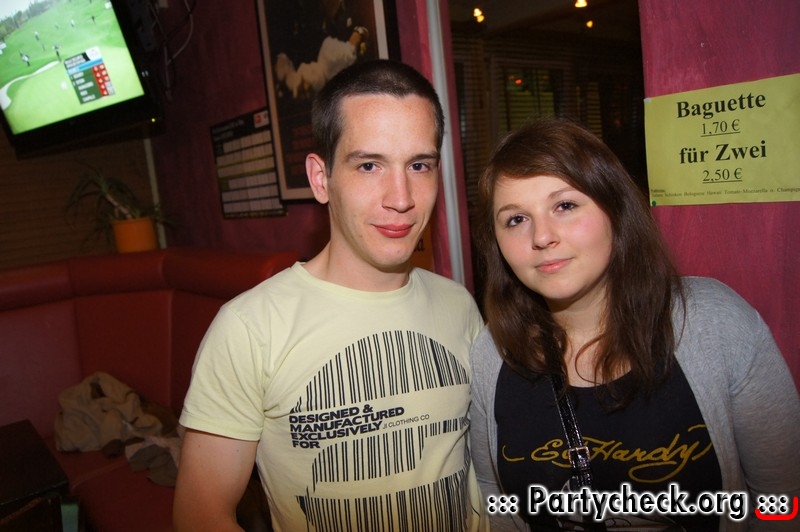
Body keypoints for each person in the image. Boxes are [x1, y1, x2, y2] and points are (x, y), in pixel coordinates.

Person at [174, 59, 488, 531]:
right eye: (369, 165)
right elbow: (200, 515)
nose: (401, 197)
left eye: (419, 165)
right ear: (321, 179)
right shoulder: (250, 328)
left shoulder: (458, 304)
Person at [469, 117, 800, 531]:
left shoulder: (715, 324)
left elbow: (783, 494)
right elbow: (494, 496)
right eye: (516, 219)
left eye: (565, 206)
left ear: (615, 209)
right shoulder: (493, 351)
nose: (542, 236)